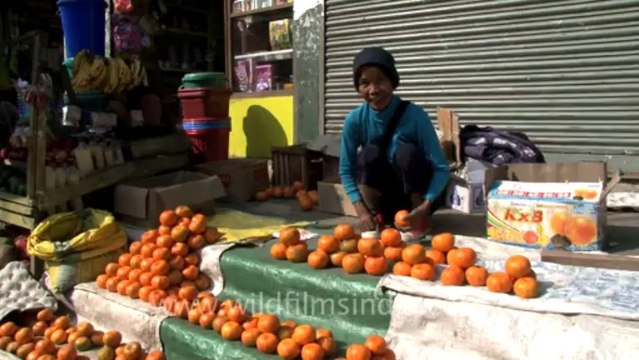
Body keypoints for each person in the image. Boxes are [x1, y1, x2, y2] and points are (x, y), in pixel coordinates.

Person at [338, 47, 450, 237]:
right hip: (386, 201)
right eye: (365, 83)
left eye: (380, 80)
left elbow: (441, 168)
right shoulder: (355, 120)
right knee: (368, 154)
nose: (373, 90)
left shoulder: (415, 115)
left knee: (406, 151)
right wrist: (361, 211)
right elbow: (345, 170)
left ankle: (417, 220)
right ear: (358, 88)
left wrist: (425, 205)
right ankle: (376, 217)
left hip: (417, 200)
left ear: (392, 82)